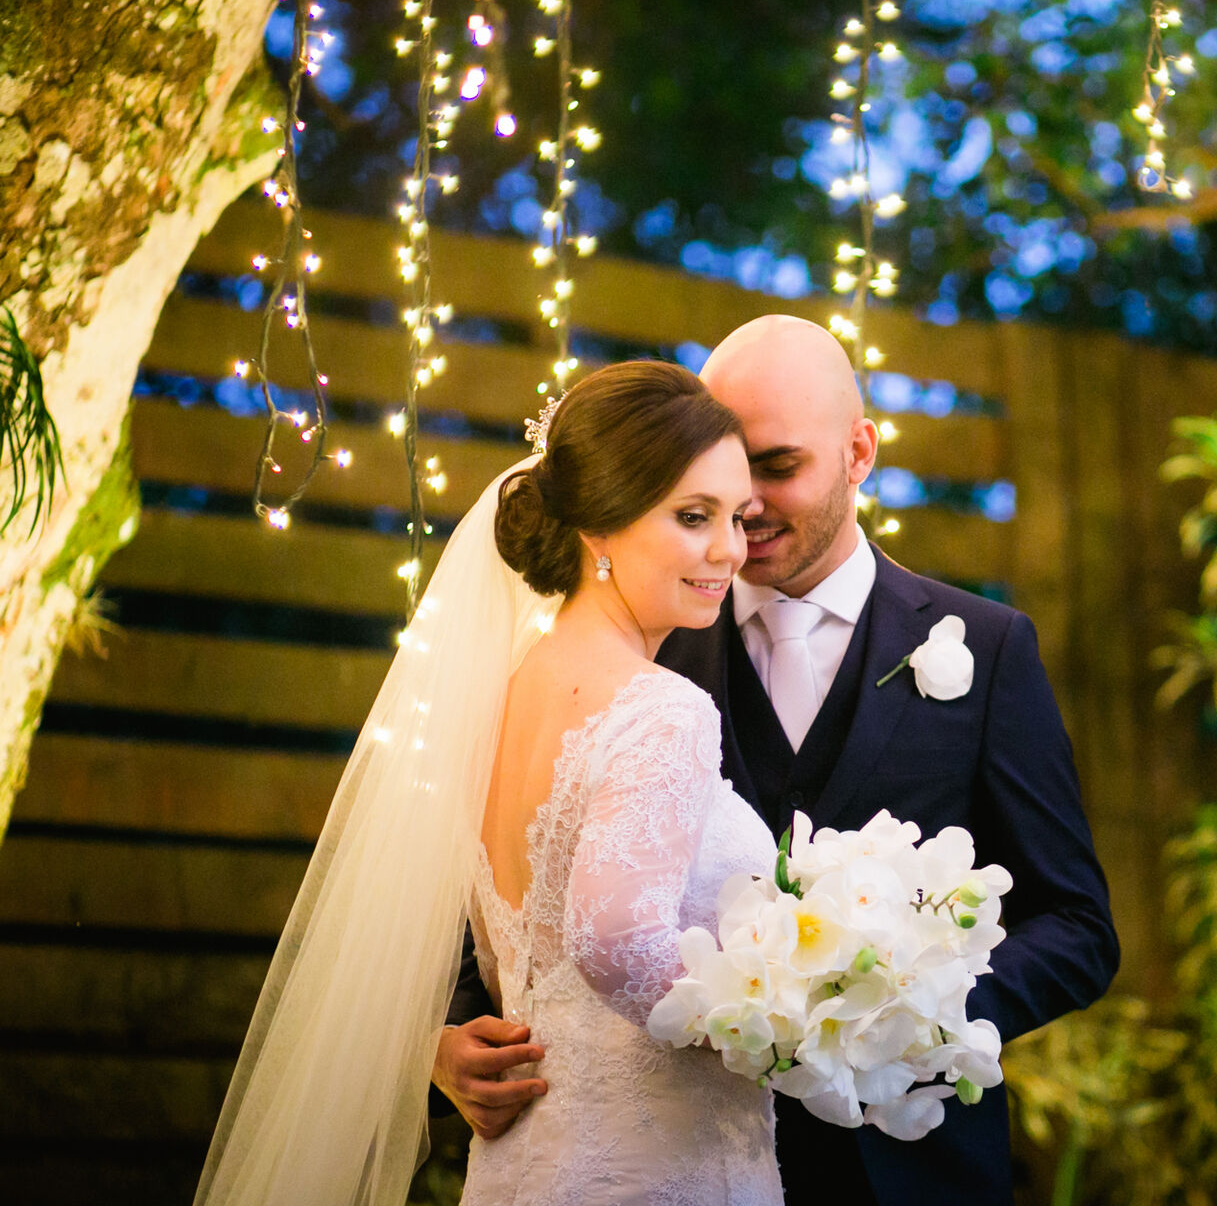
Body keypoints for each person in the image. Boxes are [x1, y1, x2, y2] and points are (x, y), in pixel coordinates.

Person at [437, 316, 1121, 1205]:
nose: (745, 504)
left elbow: (1077, 925)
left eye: (776, 465)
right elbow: (513, 884)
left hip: (907, 1172)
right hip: (672, 1158)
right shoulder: (637, 653)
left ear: (859, 452)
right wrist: (448, 1039)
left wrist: (905, 1019)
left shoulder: (986, 650)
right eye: (716, 474)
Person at [196, 362, 781, 1206]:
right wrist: (773, 1023)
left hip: (527, 1162)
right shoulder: (662, 709)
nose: (728, 548)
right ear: (599, 529)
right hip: (654, 1173)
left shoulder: (496, 697)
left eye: (737, 516)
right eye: (693, 518)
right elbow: (612, 941)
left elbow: (523, 968)